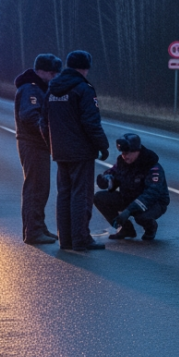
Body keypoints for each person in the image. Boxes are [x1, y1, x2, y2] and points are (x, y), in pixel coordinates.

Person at [48, 50, 109, 251]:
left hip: (60, 151)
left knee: (63, 194)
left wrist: (51, 143)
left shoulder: (52, 89)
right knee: (81, 195)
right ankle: (81, 238)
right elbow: (91, 122)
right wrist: (102, 144)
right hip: (81, 151)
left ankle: (65, 239)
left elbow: (43, 121)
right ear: (85, 68)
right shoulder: (84, 89)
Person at [14, 53, 61, 244]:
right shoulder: (31, 90)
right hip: (32, 143)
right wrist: (47, 132)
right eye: (51, 73)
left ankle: (39, 227)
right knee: (35, 187)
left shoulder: (39, 89)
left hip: (38, 144)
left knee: (42, 187)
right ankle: (33, 231)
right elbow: (30, 116)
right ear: (40, 71)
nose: (54, 77)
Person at [94, 133, 169, 240]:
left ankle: (151, 227)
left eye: (127, 153)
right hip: (130, 196)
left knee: (140, 216)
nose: (125, 156)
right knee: (99, 198)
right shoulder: (122, 162)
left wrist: (129, 210)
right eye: (123, 153)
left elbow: (152, 194)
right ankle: (125, 229)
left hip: (154, 202)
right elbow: (113, 173)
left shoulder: (152, 166)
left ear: (137, 151)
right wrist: (105, 180)